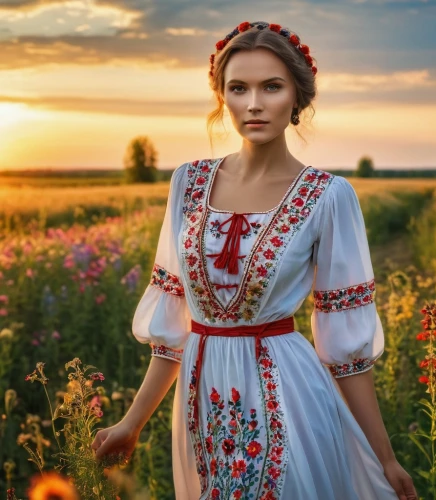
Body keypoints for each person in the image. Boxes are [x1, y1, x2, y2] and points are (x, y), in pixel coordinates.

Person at [92, 20, 418, 500]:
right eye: (238, 88)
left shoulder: (328, 197)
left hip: (290, 396)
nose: (253, 103)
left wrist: (384, 457)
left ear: (297, 98)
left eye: (271, 87)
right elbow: (174, 328)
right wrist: (131, 422)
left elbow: (347, 350)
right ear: (222, 97)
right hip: (201, 401)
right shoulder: (188, 183)